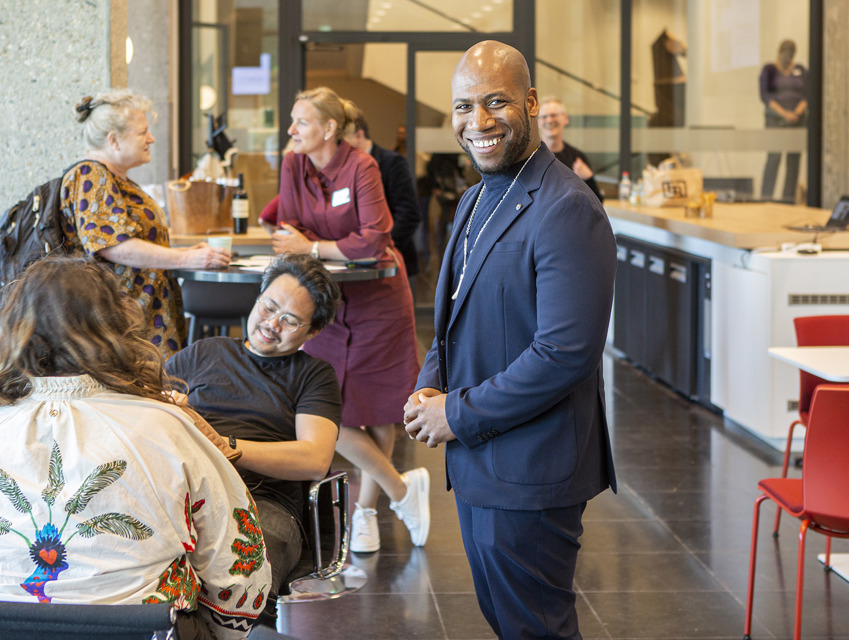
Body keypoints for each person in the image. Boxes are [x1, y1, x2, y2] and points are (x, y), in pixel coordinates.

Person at [403, 40, 617, 639]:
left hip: (531, 471)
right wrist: (429, 387)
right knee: (508, 622)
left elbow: (564, 355)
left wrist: (457, 414)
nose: (479, 122)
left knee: (536, 629)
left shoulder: (568, 209)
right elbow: (455, 315)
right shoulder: (474, 199)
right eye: (464, 107)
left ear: (530, 103)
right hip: (479, 460)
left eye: (496, 102)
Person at [0, 256, 271, 640]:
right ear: (115, 327)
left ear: (14, 329)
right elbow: (240, 566)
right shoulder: (165, 426)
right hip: (143, 631)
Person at [257, 87, 428, 557]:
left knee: (375, 409)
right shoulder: (293, 164)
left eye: (301, 122)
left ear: (329, 129)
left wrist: (311, 246)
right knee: (327, 407)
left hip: (378, 301)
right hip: (325, 302)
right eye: (292, 121)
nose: (291, 130)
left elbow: (373, 241)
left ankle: (366, 511)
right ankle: (401, 491)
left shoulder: (362, 166)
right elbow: (288, 226)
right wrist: (316, 244)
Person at [165, 253, 343, 626]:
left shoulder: (313, 375)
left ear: (312, 331)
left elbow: (314, 458)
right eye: (268, 307)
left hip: (265, 502)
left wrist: (227, 446)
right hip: (186, 489)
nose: (271, 324)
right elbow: (144, 399)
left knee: (245, 565)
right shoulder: (206, 352)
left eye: (290, 320)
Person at [61, 89, 231, 359]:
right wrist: (185, 258)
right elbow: (111, 245)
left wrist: (185, 254)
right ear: (113, 140)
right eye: (142, 132)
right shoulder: (91, 173)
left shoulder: (116, 179)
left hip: (141, 323)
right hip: (123, 330)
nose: (151, 138)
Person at [345, 107, 421, 290]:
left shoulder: (392, 162)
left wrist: (377, 247)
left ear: (359, 135)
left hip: (391, 261)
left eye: (342, 138)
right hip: (354, 263)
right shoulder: (345, 168)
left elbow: (409, 215)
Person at [759, 39, 808, 202]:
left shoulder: (800, 69)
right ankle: (766, 198)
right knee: (774, 158)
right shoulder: (769, 69)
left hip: (797, 120)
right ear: (779, 52)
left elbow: (808, 93)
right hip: (775, 120)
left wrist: (796, 112)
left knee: (794, 162)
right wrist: (784, 113)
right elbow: (765, 95)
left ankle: (788, 200)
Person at [537, 97, 604, 203]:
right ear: (538, 122)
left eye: (553, 115)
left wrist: (588, 179)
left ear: (566, 119)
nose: (549, 120)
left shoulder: (577, 158)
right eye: (544, 117)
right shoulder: (530, 156)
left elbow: (597, 203)